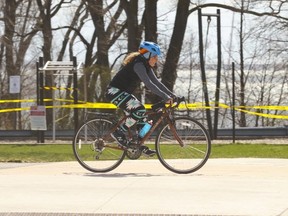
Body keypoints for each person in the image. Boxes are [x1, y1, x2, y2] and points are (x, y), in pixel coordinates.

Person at [106, 41, 176, 156]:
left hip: (122, 93)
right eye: (155, 56)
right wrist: (165, 96)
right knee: (139, 110)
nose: (156, 59)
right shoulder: (138, 64)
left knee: (142, 116)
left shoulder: (146, 66)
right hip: (113, 91)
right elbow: (148, 84)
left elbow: (156, 83)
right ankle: (119, 132)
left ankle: (137, 144)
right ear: (147, 55)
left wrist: (172, 95)